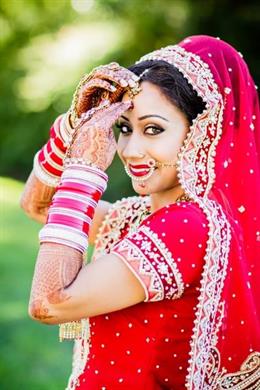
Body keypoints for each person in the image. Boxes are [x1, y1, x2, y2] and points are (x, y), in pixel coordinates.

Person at [20, 35, 260, 389]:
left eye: (153, 129)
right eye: (124, 128)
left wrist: (85, 170)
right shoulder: (134, 217)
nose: (131, 149)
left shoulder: (190, 225)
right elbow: (37, 204)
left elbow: (49, 302)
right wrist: (74, 124)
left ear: (203, 134)